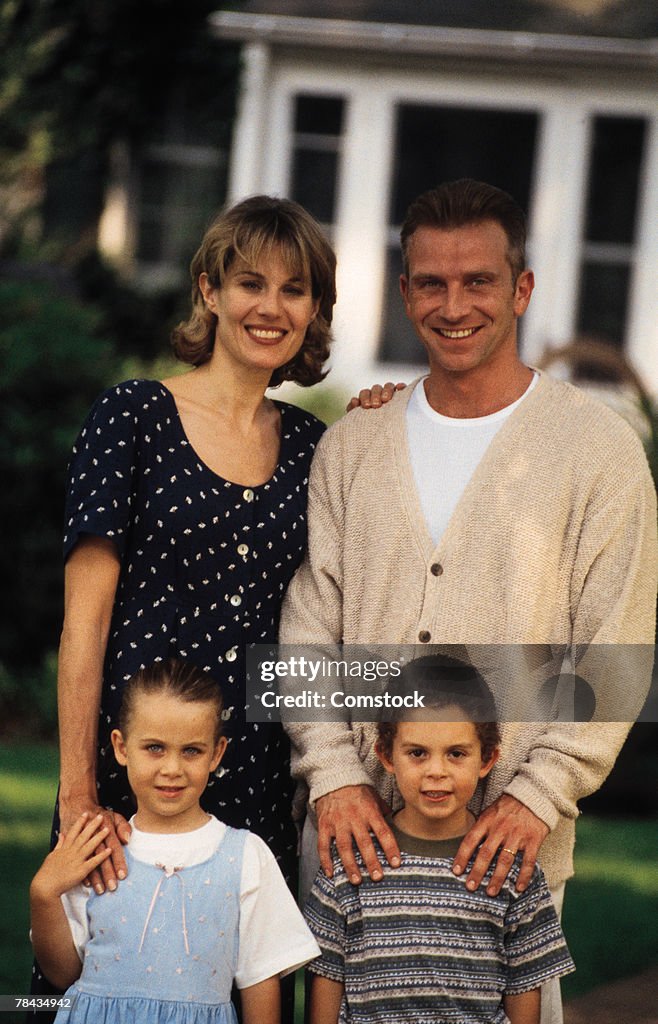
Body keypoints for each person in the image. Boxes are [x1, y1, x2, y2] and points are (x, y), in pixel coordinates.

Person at [279, 179, 657, 1022]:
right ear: (406, 290)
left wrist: (536, 795)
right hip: (353, 849)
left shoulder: (598, 451)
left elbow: (618, 654)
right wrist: (334, 777)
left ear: (520, 288)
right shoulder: (354, 444)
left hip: (506, 859)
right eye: (432, 283)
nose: (455, 306)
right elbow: (307, 627)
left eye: (478, 281)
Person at [30, 658, 320, 1024]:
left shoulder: (245, 856)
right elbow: (62, 973)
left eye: (191, 751)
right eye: (154, 748)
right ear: (121, 747)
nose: (172, 769)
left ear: (217, 753)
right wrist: (43, 893)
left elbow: (260, 984)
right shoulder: (96, 848)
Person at [304, 655, 575, 1024]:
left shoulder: (511, 868)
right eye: (417, 753)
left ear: (486, 759)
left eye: (456, 754)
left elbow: (525, 989)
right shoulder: (350, 863)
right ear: (386, 755)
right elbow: (326, 982)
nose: (436, 772)